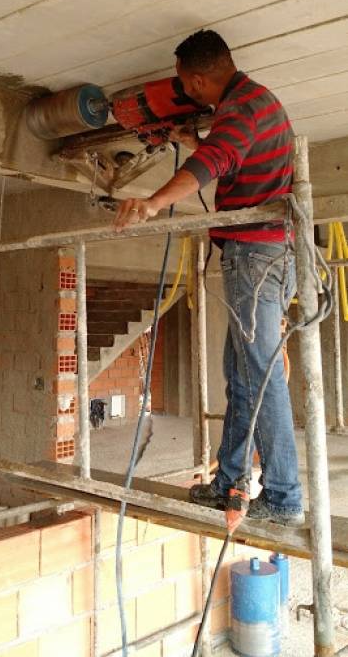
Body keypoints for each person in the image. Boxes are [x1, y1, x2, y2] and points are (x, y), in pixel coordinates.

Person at [114, 29, 304, 526]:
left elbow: (213, 162)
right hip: (264, 254)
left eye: (187, 86)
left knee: (260, 378)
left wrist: (153, 202)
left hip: (255, 256)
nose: (188, 94)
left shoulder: (240, 109)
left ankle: (283, 496)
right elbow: (231, 158)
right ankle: (230, 483)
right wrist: (194, 139)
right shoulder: (254, 103)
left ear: (198, 79)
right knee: (242, 377)